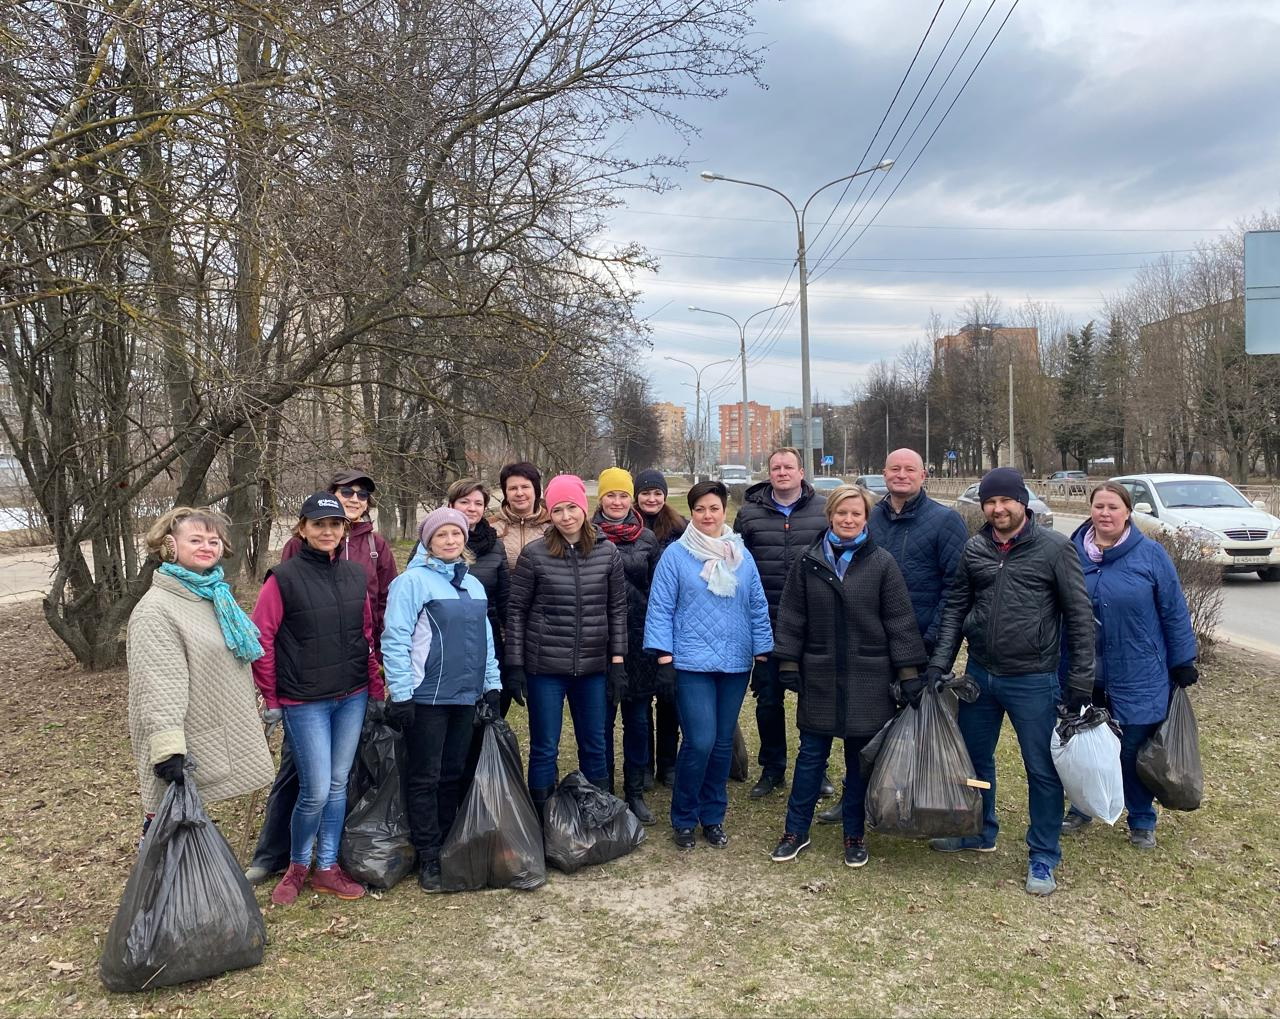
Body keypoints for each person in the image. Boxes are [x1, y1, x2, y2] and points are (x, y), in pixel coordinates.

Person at [926, 467, 1095, 896]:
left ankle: (1043, 854)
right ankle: (979, 829)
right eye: (990, 501)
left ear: (1024, 502)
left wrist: (1080, 682)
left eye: (1006, 500)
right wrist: (940, 664)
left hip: (1033, 680)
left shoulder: (1055, 550)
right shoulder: (974, 548)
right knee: (975, 762)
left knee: (1041, 770)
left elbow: (1079, 620)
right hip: (980, 675)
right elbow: (955, 610)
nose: (998, 509)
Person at [246, 468, 397, 885]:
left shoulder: (356, 571)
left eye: (335, 524)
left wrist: (376, 686)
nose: (328, 531)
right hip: (304, 698)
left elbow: (367, 633)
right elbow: (263, 636)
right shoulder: (285, 574)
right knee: (310, 789)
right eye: (319, 524)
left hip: (350, 694)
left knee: (336, 785)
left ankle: (327, 865)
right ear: (304, 528)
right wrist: (273, 698)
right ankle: (293, 865)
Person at [768, 485, 927, 868]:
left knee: (859, 762)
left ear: (865, 518)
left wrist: (908, 673)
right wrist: (788, 662)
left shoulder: (882, 563)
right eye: (842, 514)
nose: (848, 520)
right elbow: (792, 616)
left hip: (868, 677)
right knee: (810, 757)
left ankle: (854, 833)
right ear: (830, 517)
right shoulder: (808, 563)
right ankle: (795, 830)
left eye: (856, 514)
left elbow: (900, 621)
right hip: (820, 675)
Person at [816, 447, 967, 825]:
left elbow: (955, 590)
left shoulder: (945, 522)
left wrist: (932, 647)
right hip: (869, 648)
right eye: (894, 468)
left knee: (914, 730)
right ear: (884, 473)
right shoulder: (870, 518)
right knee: (863, 730)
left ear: (924, 474)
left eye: (910, 469)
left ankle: (913, 800)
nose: (902, 475)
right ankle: (856, 798)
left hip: (919, 644)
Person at [1060, 482, 1198, 849]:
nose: (1105, 513)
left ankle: (1141, 818)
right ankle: (1083, 807)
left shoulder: (1151, 556)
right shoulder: (1070, 554)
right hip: (1083, 672)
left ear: (1127, 513)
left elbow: (1173, 611)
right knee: (1085, 743)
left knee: (1133, 749)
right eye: (1099, 506)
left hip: (1139, 671)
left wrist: (1183, 659)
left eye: (1113, 507)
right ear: (1090, 510)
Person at [127, 507, 275, 829]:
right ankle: (160, 880)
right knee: (166, 830)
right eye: (195, 539)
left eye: (214, 540)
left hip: (210, 732)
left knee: (188, 831)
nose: (208, 546)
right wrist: (168, 753)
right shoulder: (156, 611)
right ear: (169, 546)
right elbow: (159, 686)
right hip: (182, 747)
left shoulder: (214, 596)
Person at [645, 480, 772, 850]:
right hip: (691, 661)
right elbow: (661, 608)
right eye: (699, 509)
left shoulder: (740, 555)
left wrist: (762, 654)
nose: (707, 515)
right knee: (699, 741)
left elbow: (757, 605)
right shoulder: (676, 556)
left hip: (734, 662)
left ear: (724, 511)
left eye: (714, 508)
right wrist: (664, 658)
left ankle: (712, 816)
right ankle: (684, 816)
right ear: (692, 513)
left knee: (720, 744)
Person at [382, 507, 502, 891]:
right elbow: (395, 638)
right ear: (428, 541)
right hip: (426, 697)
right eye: (441, 535)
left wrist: (492, 684)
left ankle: (451, 843)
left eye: (456, 534)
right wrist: (401, 693)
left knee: (453, 773)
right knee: (425, 777)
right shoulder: (412, 582)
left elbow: (484, 638)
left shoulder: (473, 585)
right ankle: (429, 854)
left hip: (465, 695)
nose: (450, 541)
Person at [505, 474, 628, 816]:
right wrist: (515, 665)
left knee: (595, 743)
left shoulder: (608, 553)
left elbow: (617, 610)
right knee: (545, 746)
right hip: (545, 668)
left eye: (572, 507)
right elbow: (516, 611)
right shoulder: (535, 555)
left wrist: (617, 661)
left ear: (584, 509)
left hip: (592, 667)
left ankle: (596, 811)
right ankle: (543, 817)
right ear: (550, 513)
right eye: (557, 509)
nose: (566, 516)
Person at [733, 447, 829, 799]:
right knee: (768, 700)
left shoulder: (823, 511)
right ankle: (772, 769)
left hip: (813, 625)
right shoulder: (749, 514)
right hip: (765, 624)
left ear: (802, 472)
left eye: (789, 466)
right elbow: (736, 566)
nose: (783, 472)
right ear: (768, 472)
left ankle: (817, 771)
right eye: (776, 467)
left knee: (813, 701)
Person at [593, 466, 661, 822]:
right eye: (610, 495)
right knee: (601, 722)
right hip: (599, 642)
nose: (617, 501)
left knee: (637, 719)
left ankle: (635, 791)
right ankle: (605, 791)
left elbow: (659, 592)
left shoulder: (646, 539)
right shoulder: (587, 535)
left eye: (622, 495)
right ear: (600, 498)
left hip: (640, 642)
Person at [635, 468, 687, 786]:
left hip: (673, 623)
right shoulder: (626, 527)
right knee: (640, 701)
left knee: (670, 699)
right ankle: (643, 765)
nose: (651, 498)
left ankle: (668, 763)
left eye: (657, 493)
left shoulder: (680, 528)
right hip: (637, 621)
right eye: (645, 493)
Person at [493, 461, 551, 572]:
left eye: (525, 487)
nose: (519, 493)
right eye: (513, 488)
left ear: (536, 490)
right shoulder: (490, 527)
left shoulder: (553, 525)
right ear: (506, 493)